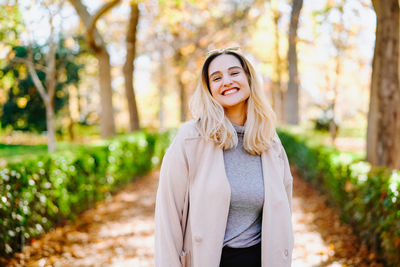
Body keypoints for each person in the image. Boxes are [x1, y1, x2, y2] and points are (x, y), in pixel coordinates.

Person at [154, 47, 294, 267]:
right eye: (216, 78)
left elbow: (284, 215)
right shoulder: (191, 139)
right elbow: (168, 217)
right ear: (209, 89)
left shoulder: (269, 142)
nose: (226, 81)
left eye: (234, 72)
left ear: (248, 78)